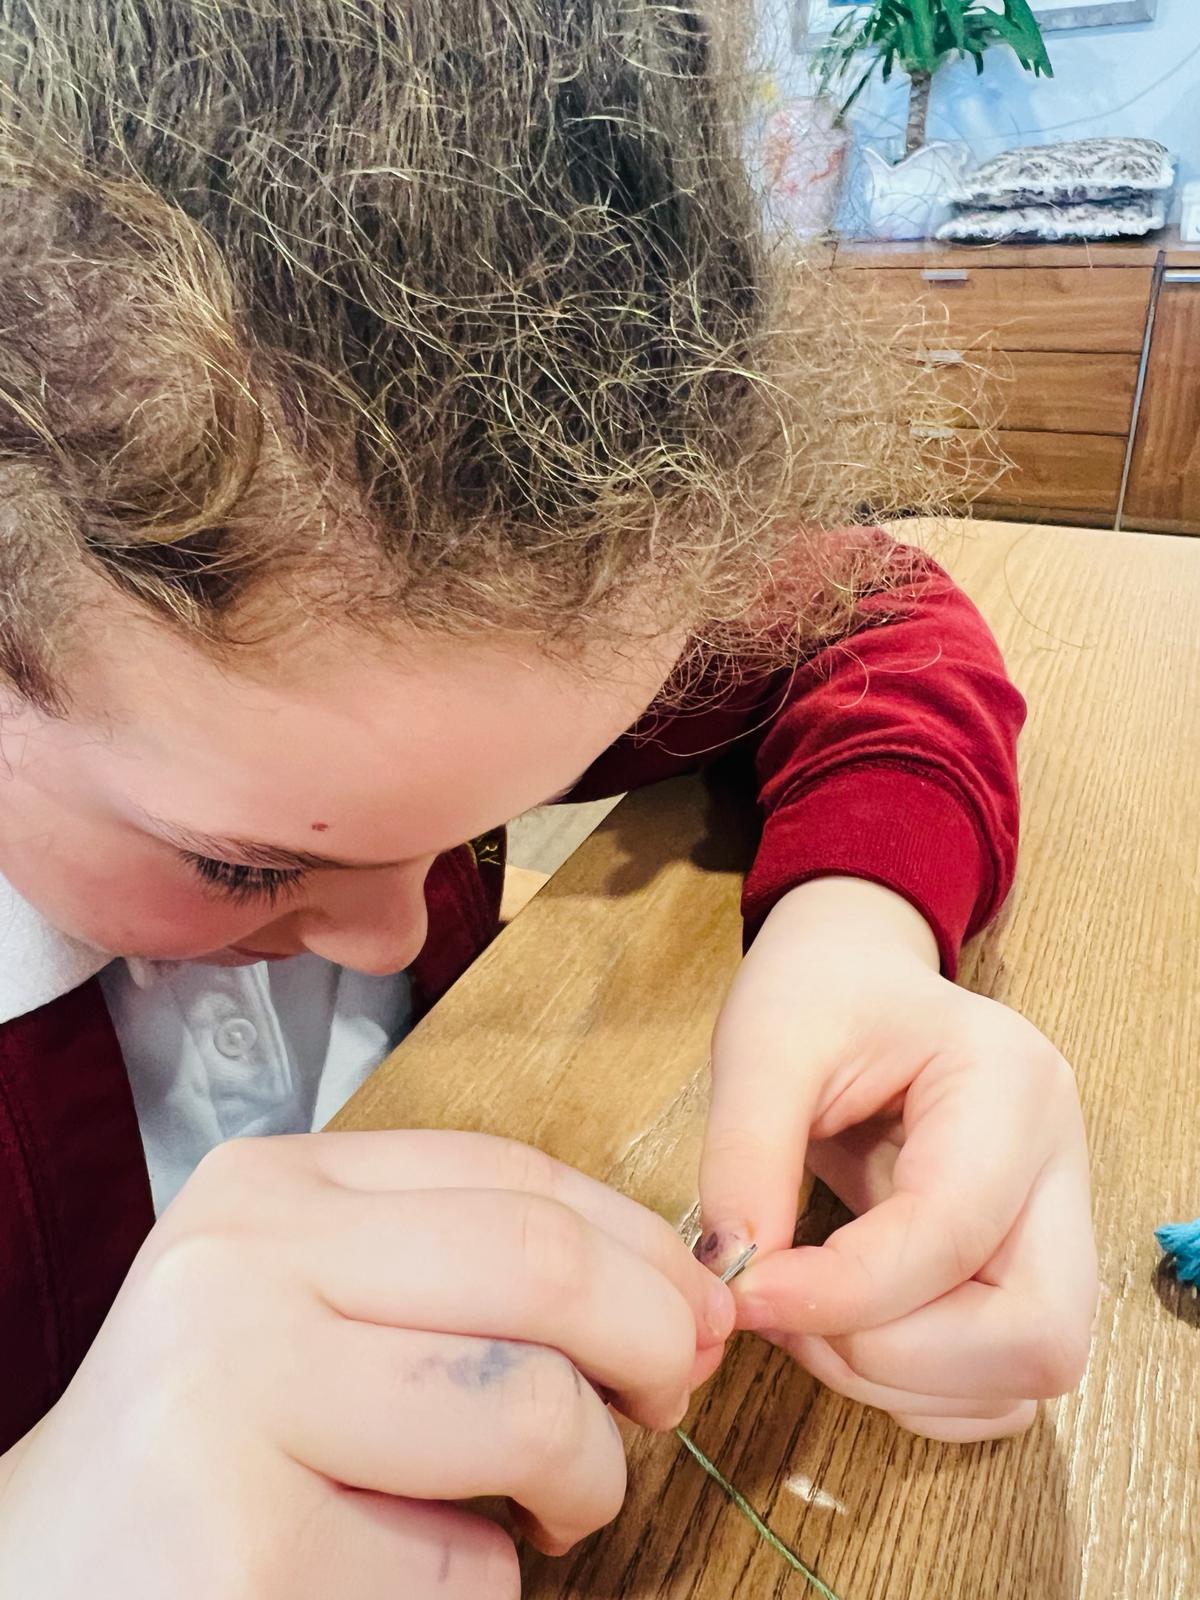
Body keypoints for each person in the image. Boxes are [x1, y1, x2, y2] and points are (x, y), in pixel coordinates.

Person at [0, 1, 1097, 1594]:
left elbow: (870, 610)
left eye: (470, 823)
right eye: (244, 868)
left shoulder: (391, 659)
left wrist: (856, 939)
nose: (391, 936)